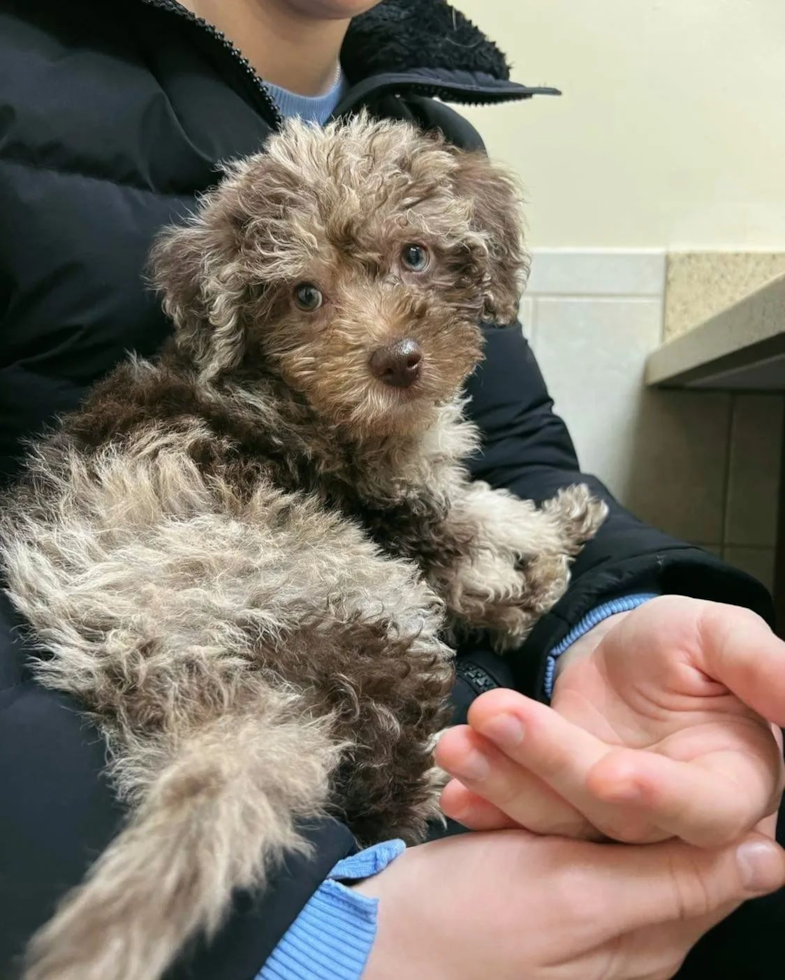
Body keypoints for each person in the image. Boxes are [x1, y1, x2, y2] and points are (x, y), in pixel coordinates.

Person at [0, 1, 783, 978]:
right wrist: (298, 937)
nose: (390, 338)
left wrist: (610, 613)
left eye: (414, 259)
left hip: (448, 731)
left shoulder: (429, 119)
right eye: (308, 295)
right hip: (130, 766)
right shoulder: (23, 72)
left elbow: (514, 448)